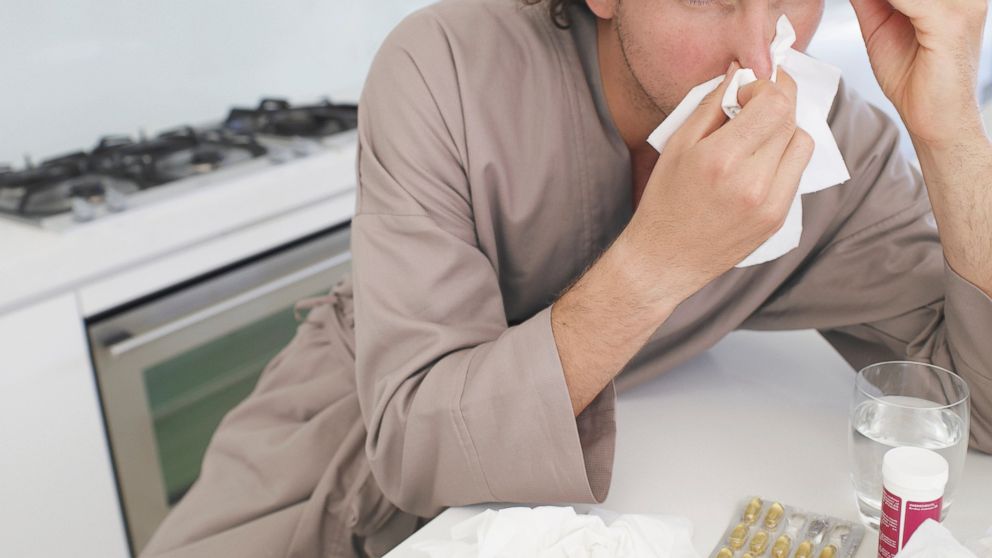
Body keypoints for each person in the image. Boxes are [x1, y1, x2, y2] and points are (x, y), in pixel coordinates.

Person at [142, 0, 992, 556]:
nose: (763, 58)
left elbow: (975, 409)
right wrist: (658, 262)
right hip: (322, 470)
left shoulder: (829, 146)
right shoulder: (440, 69)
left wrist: (951, 128)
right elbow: (413, 444)